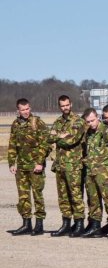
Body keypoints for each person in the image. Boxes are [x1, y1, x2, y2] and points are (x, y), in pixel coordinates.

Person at [8, 98, 50, 236]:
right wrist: (11, 163)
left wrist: (39, 162)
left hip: (35, 166)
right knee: (23, 196)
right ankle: (26, 223)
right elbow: (12, 144)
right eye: (22, 110)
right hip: (21, 167)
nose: (25, 112)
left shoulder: (37, 122)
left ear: (30, 108)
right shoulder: (15, 124)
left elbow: (45, 144)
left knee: (37, 194)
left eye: (27, 109)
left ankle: (39, 224)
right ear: (18, 110)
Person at [49, 95, 87, 237]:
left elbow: (72, 140)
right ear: (60, 107)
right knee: (63, 197)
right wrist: (62, 135)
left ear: (71, 104)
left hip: (74, 166)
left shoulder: (78, 121)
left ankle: (79, 224)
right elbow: (49, 137)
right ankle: (66, 224)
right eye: (62, 106)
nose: (65, 108)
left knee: (76, 196)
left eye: (67, 105)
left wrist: (59, 138)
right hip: (60, 165)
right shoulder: (58, 121)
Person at [81, 107, 108, 238]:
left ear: (97, 117)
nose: (90, 123)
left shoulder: (107, 131)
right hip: (91, 171)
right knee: (93, 200)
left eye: (92, 120)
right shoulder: (89, 133)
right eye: (88, 121)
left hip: (103, 172)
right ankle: (95, 226)